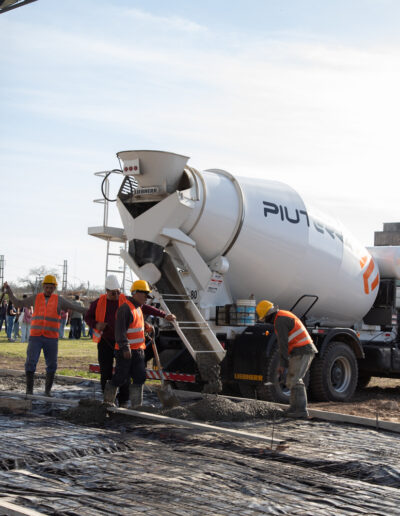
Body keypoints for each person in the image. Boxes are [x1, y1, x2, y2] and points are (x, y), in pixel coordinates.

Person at [3, 275, 86, 396]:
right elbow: (18, 303)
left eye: (51, 288)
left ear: (54, 288)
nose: (49, 290)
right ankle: (29, 391)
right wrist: (9, 291)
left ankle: (47, 391)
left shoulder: (59, 300)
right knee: (30, 362)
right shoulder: (36, 298)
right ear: (43, 287)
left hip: (51, 338)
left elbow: (76, 308)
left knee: (52, 365)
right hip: (35, 337)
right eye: (47, 287)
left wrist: (93, 310)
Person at [103, 279, 176, 408]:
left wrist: (146, 326)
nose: (146, 298)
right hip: (125, 351)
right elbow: (120, 331)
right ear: (136, 293)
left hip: (138, 351)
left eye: (147, 296)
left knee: (140, 377)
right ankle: (108, 402)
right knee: (121, 377)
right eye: (144, 295)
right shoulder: (125, 309)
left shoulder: (138, 308)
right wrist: (125, 348)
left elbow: (135, 324)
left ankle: (137, 406)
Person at [256, 300, 317, 418]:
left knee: (295, 379)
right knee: (292, 380)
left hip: (302, 350)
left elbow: (282, 344)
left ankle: (301, 410)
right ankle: (294, 408)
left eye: (265, 318)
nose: (266, 322)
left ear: (268, 315)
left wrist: (282, 364)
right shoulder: (282, 315)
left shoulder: (280, 320)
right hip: (300, 350)